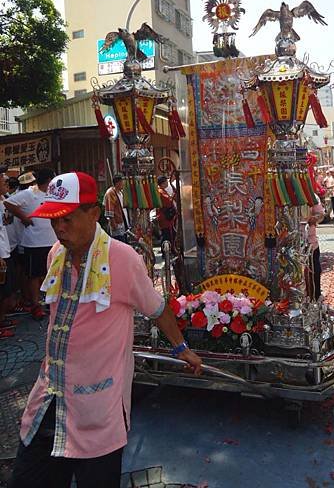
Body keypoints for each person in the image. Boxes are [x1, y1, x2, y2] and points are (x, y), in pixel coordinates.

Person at [8, 171, 202, 488]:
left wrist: (182, 349)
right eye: (54, 219)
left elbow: (157, 309)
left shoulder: (122, 259)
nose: (59, 228)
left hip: (96, 410)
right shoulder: (55, 254)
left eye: (67, 219)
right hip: (49, 400)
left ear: (94, 213)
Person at [5, 168, 57, 320]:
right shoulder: (29, 193)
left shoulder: (52, 194)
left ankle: (51, 301)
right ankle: (36, 305)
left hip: (52, 241)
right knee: (34, 275)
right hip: (34, 242)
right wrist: (24, 218)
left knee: (51, 274)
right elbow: (8, 203)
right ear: (48, 181)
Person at [0, 172, 15, 338]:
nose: (6, 180)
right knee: (3, 291)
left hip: (6, 250)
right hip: (1, 254)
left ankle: (3, 320)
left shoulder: (4, 200)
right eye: (2, 178)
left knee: (6, 290)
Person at [306, 198, 325, 300]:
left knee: (314, 271)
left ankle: (315, 297)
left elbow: (321, 215)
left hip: (311, 243)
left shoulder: (311, 195)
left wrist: (315, 218)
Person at [103, 174, 129, 243]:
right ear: (118, 183)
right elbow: (109, 210)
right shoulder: (111, 193)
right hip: (116, 224)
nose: (123, 184)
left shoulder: (121, 193)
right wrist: (113, 224)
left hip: (122, 223)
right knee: (119, 242)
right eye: (122, 182)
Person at [156, 175, 177, 251]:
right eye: (166, 182)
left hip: (164, 216)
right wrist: (172, 197)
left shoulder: (162, 191)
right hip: (164, 217)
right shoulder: (160, 191)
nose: (167, 183)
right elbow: (168, 202)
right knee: (166, 234)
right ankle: (166, 251)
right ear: (162, 183)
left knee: (166, 233)